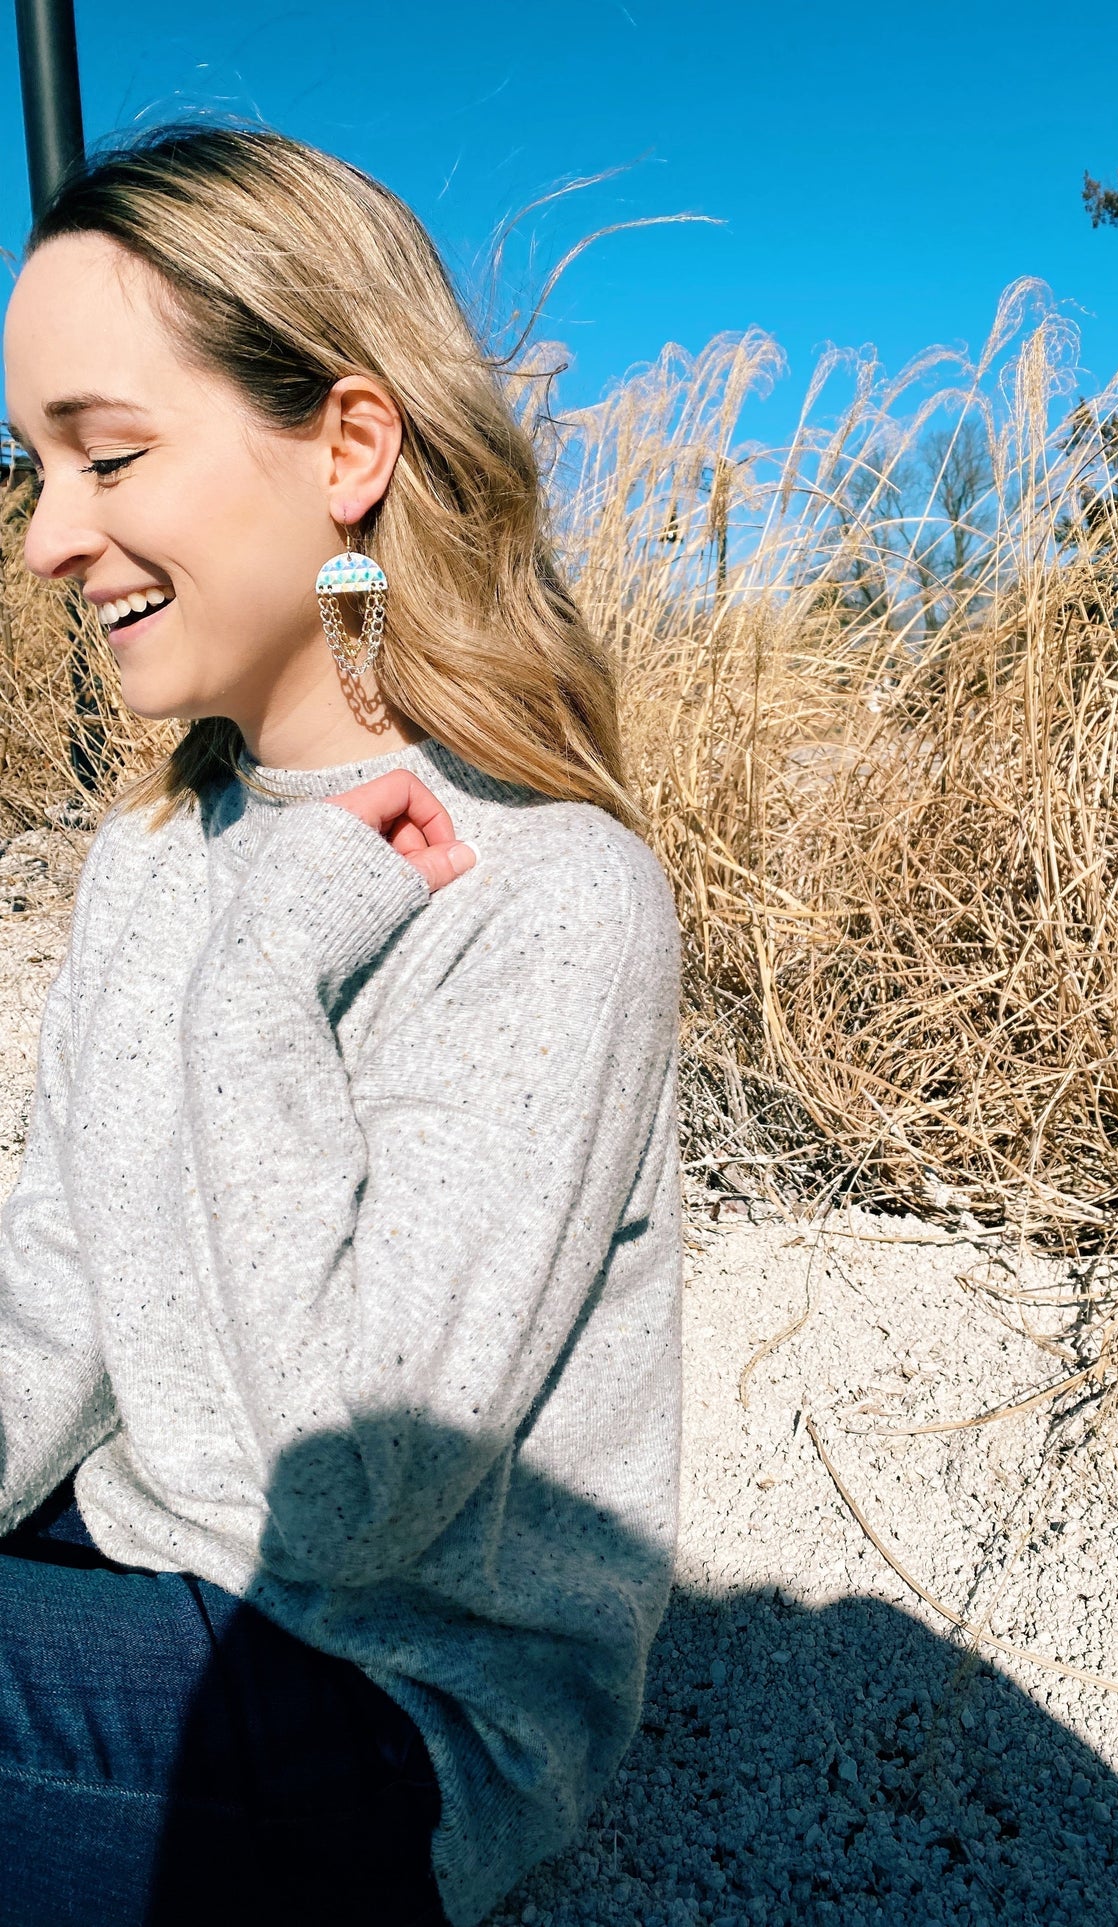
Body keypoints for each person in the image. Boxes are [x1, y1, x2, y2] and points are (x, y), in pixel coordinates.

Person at [0, 122, 682, 1927]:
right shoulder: (154, 854)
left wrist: (263, 984)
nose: (50, 540)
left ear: (349, 449)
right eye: (29, 470)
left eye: (107, 456)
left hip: (390, 1701)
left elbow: (350, 1498)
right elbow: (50, 1298)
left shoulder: (551, 895)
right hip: (138, 1567)